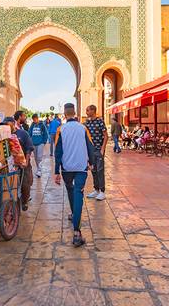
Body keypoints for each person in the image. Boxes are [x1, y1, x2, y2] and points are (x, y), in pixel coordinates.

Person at [54, 103, 96, 247]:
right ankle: (77, 232)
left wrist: (55, 172)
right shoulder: (83, 128)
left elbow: (58, 152)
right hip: (81, 167)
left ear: (65, 115)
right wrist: (92, 162)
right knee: (79, 193)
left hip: (66, 168)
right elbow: (90, 146)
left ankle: (74, 215)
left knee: (70, 190)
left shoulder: (61, 129)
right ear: (75, 113)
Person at [4, 116, 35, 210]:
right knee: (11, 185)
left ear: (13, 124)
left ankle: (25, 201)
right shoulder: (4, 135)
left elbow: (29, 148)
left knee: (25, 183)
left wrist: (26, 161)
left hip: (24, 163)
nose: (6, 126)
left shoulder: (22, 133)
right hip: (10, 165)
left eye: (7, 124)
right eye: (4, 124)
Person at [84, 105, 108, 201]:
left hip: (99, 149)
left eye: (87, 110)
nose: (86, 112)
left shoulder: (100, 121)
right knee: (93, 170)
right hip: (90, 151)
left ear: (93, 111)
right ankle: (96, 190)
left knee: (100, 170)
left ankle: (102, 191)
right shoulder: (87, 122)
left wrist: (102, 149)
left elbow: (106, 136)